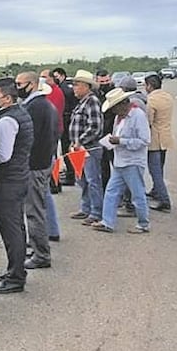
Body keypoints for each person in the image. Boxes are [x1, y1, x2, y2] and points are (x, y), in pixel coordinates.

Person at [0, 78, 33, 295]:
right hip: (19, 176)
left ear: (7, 97)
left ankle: (16, 276)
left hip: (8, 180)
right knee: (17, 227)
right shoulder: (21, 112)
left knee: (11, 230)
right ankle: (14, 270)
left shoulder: (7, 120)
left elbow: (2, 155)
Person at [91, 88, 151, 234]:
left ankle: (143, 224)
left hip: (133, 162)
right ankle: (107, 222)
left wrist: (121, 141)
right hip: (120, 161)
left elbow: (145, 140)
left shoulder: (138, 116)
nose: (113, 111)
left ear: (124, 103)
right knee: (111, 192)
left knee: (137, 194)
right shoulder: (119, 118)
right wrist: (111, 142)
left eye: (115, 107)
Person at [16, 71, 59, 270]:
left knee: (34, 212)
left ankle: (41, 254)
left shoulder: (35, 107)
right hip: (42, 162)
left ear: (32, 84)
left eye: (20, 84)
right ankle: (37, 246)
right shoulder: (44, 105)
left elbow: (28, 140)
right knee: (36, 208)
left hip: (35, 166)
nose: (17, 88)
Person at [67, 70, 104, 225]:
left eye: (77, 85)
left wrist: (79, 141)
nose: (74, 88)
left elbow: (95, 126)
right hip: (79, 148)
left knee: (92, 180)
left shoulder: (92, 101)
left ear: (86, 86)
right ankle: (86, 208)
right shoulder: (83, 102)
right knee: (82, 180)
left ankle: (96, 212)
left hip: (89, 148)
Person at [143, 74, 174, 212]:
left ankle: (164, 200)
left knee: (155, 170)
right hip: (166, 136)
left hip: (155, 138)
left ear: (149, 85)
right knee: (159, 167)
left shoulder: (151, 100)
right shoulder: (168, 97)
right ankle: (156, 191)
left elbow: (148, 121)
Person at [52, 67, 78, 185]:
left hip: (66, 120)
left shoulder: (62, 89)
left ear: (62, 75)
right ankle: (71, 173)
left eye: (56, 76)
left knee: (65, 149)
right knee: (66, 149)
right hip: (68, 120)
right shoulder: (68, 87)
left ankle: (70, 174)